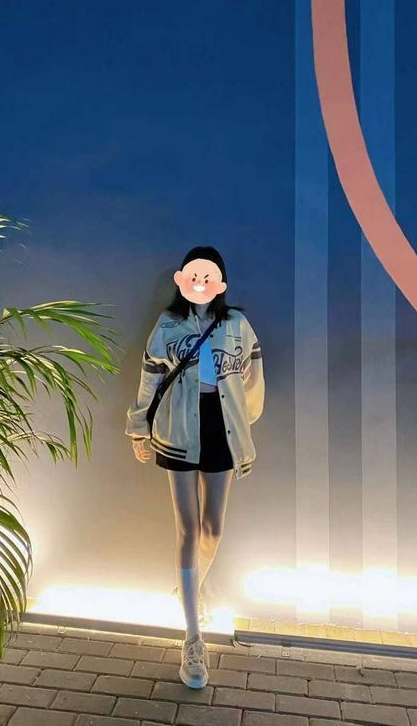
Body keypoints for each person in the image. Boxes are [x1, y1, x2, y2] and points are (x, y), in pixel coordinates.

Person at [125, 245, 265, 689]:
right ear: (182, 279)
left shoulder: (236, 324)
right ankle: (192, 638)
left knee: (212, 529)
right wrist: (138, 429)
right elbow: (149, 378)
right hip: (177, 431)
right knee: (187, 529)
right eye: (194, 276)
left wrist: (244, 421)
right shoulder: (168, 325)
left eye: (209, 277)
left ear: (220, 283)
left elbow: (252, 378)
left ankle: (190, 588)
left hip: (222, 428)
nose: (201, 284)